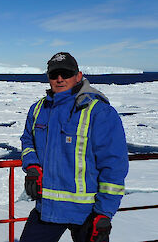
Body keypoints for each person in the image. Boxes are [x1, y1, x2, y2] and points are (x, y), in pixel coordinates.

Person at [20, 52, 129, 242]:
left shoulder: (99, 112)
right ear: (49, 78)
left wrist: (104, 214)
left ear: (78, 76)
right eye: (54, 74)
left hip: (88, 213)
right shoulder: (38, 109)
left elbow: (114, 166)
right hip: (47, 209)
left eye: (66, 73)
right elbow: (28, 141)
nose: (60, 79)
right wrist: (32, 167)